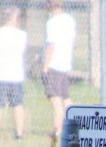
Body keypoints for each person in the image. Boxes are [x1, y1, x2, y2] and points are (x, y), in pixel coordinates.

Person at [0, 7, 26, 139]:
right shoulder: (22, 35)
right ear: (15, 19)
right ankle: (19, 133)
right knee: (18, 104)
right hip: (16, 75)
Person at [42, 0, 76, 137]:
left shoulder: (52, 22)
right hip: (65, 63)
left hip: (54, 65)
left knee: (55, 99)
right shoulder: (69, 19)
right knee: (65, 98)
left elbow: (51, 46)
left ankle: (58, 129)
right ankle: (75, 121)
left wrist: (45, 66)